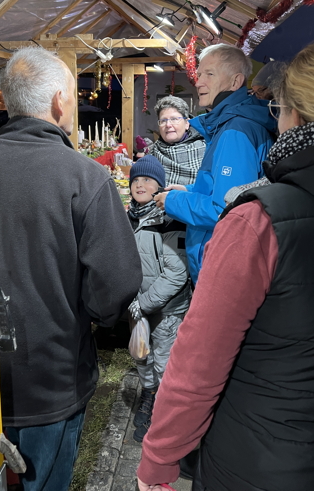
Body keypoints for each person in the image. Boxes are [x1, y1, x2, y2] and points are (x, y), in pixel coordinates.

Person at [137, 37, 314, 491]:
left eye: (279, 110)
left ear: (295, 114)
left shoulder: (259, 220)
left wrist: (158, 459)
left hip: (260, 463)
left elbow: (198, 366)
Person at [0, 46, 142, 491]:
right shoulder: (85, 177)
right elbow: (117, 282)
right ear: (59, 101)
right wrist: (91, 318)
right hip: (52, 377)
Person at [154, 44, 276, 284]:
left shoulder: (235, 131)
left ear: (235, 82)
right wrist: (189, 190)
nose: (198, 82)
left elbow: (225, 209)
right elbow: (230, 188)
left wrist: (173, 201)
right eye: (199, 75)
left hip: (224, 265)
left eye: (209, 74)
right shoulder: (228, 125)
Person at [127, 155, 191, 443]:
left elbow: (177, 274)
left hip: (166, 310)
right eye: (136, 179)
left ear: (160, 187)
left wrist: (144, 303)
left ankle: (166, 421)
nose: (141, 184)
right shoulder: (127, 217)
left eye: (148, 180)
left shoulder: (168, 219)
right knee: (141, 355)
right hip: (137, 308)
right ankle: (149, 395)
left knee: (165, 362)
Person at [148, 96, 205, 186]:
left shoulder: (205, 150)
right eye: (163, 120)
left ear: (187, 123)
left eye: (174, 119)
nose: (168, 125)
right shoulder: (152, 153)